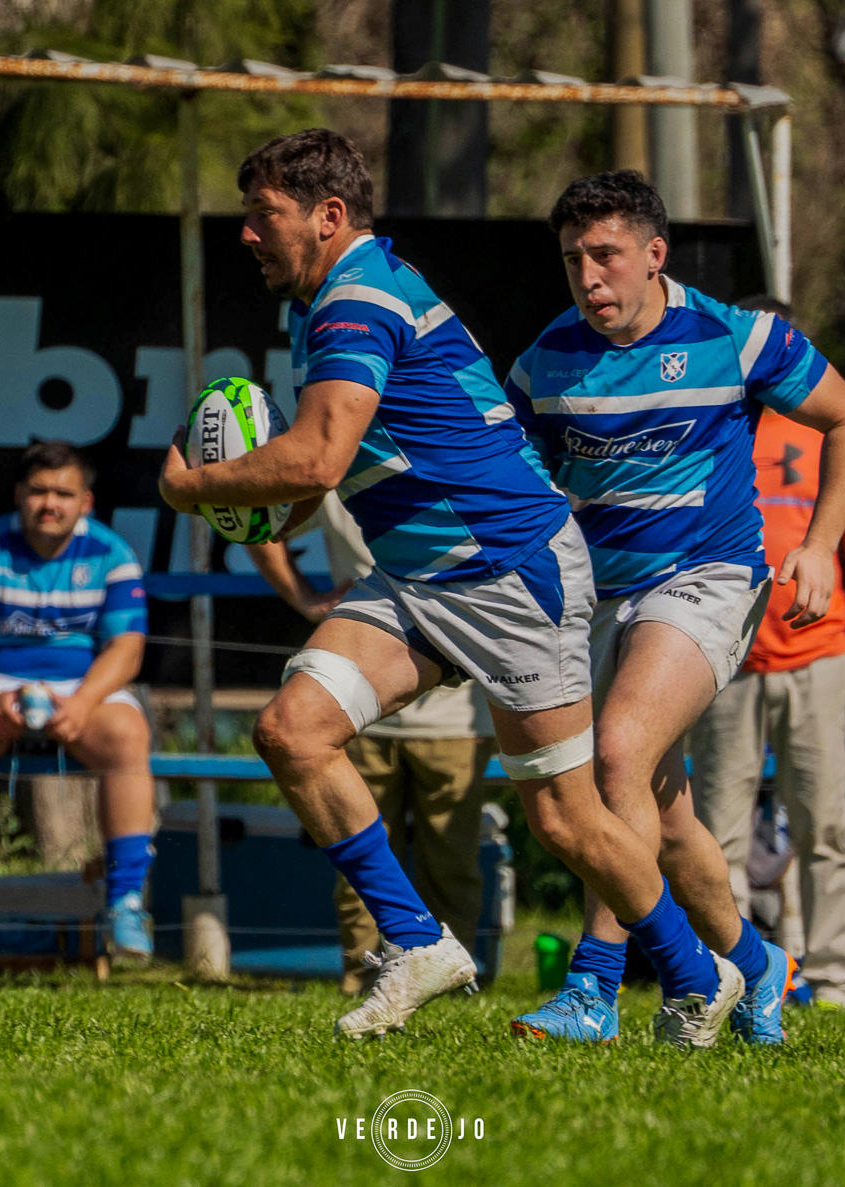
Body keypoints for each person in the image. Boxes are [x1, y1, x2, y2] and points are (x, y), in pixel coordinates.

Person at [161, 130, 741, 1048]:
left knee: (565, 816)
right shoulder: (344, 295)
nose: (247, 234)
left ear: (329, 216)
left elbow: (314, 456)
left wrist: (190, 487)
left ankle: (697, 972)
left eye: (261, 215)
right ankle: (416, 939)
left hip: (508, 576)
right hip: (420, 576)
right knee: (291, 731)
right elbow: (323, 479)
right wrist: (263, 506)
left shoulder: (356, 304)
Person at [502, 173, 845, 1044]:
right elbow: (507, 486)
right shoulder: (544, 363)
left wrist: (819, 544)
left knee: (614, 757)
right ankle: (755, 966)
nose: (589, 278)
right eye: (572, 260)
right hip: (607, 598)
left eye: (606, 256)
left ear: (654, 255)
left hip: (710, 579)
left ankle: (601, 989)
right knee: (662, 815)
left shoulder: (734, 338)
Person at [687, 294, 845, 1009]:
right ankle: (729, 971)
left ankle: (835, 975)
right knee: (715, 830)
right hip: (726, 656)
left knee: (825, 825)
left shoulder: (831, 427)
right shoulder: (711, 423)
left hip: (819, 655)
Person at [247, 494, 495, 994]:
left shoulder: (473, 467)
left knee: (451, 861)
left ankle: (455, 985)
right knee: (356, 858)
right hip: (354, 708)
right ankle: (365, 980)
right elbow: (258, 523)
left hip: (457, 716)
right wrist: (303, 596)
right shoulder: (340, 477)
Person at [0, 440, 155, 966]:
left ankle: (125, 902)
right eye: (39, 491)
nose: (51, 504)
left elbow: (126, 648)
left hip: (80, 686)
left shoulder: (112, 553)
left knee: (127, 736)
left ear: (86, 502)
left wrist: (84, 703)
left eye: (64, 493)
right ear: (20, 494)